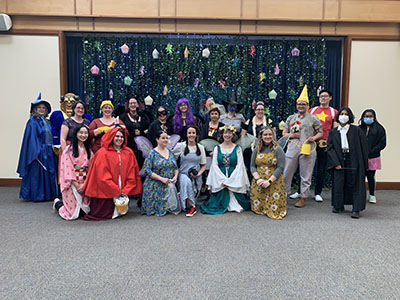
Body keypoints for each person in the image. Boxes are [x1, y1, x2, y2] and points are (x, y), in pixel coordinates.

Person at [82, 127, 142, 220]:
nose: (119, 139)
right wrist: (116, 190)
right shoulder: (102, 153)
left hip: (122, 185)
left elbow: (132, 172)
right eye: (117, 136)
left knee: (120, 212)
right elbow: (102, 175)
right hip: (107, 186)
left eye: (122, 137)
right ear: (111, 137)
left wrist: (126, 190)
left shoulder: (128, 152)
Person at [282, 85, 323, 208]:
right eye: (299, 104)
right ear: (296, 105)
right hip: (292, 147)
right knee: (287, 172)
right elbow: (284, 133)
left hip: (308, 147)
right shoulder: (291, 118)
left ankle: (303, 197)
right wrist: (292, 135)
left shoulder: (313, 118)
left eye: (303, 104)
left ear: (307, 106)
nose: (301, 106)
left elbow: (320, 132)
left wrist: (313, 138)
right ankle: (283, 194)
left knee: (306, 174)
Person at [327, 107, 368, 218]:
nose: (343, 116)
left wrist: (364, 164)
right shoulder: (333, 132)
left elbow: (364, 147)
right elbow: (330, 149)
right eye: (342, 114)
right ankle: (338, 205)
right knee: (339, 183)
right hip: (339, 158)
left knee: (355, 183)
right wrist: (336, 163)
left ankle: (356, 209)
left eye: (346, 114)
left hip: (354, 158)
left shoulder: (357, 130)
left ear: (349, 116)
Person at [17, 94, 58, 201]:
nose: (41, 109)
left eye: (43, 108)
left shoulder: (47, 121)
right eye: (39, 107)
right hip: (38, 151)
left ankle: (49, 194)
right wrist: (36, 152)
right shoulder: (32, 122)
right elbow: (30, 139)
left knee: (49, 172)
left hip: (49, 150)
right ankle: (37, 195)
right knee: (38, 172)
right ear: (35, 109)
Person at [200, 125, 250, 214]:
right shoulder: (217, 148)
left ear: (233, 135)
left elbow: (240, 165)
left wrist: (231, 180)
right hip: (220, 176)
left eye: (230, 133)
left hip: (234, 175)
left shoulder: (237, 148)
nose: (227, 135)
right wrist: (223, 180)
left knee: (240, 204)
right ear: (222, 135)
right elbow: (214, 165)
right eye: (225, 133)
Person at [53, 125, 93, 220]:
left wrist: (84, 183)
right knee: (72, 215)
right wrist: (76, 184)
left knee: (85, 212)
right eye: (81, 132)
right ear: (76, 134)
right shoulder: (68, 150)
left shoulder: (89, 151)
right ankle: (58, 203)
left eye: (85, 133)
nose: (83, 135)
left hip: (84, 181)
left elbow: (91, 169)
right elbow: (67, 168)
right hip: (72, 182)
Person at [308, 89, 338, 202]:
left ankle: (317, 192)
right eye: (321, 96)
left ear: (330, 98)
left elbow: (335, 131)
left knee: (321, 169)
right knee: (306, 168)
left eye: (325, 96)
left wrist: (330, 144)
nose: (323, 98)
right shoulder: (312, 110)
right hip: (311, 143)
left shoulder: (334, 112)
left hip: (324, 145)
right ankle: (302, 191)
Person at [250, 126, 287, 219]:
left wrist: (269, 181)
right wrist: (258, 179)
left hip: (274, 180)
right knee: (257, 208)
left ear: (273, 136)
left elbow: (280, 167)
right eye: (265, 134)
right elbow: (252, 166)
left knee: (274, 209)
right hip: (259, 180)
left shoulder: (278, 149)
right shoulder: (257, 149)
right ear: (261, 136)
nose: (268, 136)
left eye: (270, 134)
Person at [141, 130, 180, 216]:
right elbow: (147, 170)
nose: (165, 140)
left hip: (168, 182)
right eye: (163, 138)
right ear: (157, 140)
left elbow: (175, 167)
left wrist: (175, 177)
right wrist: (161, 179)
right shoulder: (152, 153)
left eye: (166, 138)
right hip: (155, 182)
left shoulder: (170, 152)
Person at [173, 126, 207, 217]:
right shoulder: (180, 146)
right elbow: (172, 158)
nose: (191, 135)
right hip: (183, 173)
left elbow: (204, 165)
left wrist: (199, 174)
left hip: (196, 176)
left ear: (196, 134)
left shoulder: (201, 147)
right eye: (189, 133)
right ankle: (192, 207)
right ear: (186, 134)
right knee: (186, 182)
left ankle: (186, 200)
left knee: (192, 192)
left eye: (193, 133)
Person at [359, 109, 386, 204]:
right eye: (366, 116)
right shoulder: (359, 128)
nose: (368, 118)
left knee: (370, 176)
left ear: (374, 117)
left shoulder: (379, 129)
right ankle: (360, 195)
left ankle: (372, 195)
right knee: (360, 176)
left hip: (373, 157)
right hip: (361, 156)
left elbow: (382, 143)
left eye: (370, 116)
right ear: (362, 117)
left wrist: (371, 151)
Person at [241, 101, 274, 179]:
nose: (260, 111)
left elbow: (273, 135)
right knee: (250, 167)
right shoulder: (248, 122)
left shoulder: (269, 121)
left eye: (262, 109)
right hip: (251, 149)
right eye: (258, 109)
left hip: (266, 148)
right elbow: (243, 136)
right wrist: (244, 146)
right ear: (255, 111)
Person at [119, 96, 150, 169]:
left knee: (141, 164)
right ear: (128, 105)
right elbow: (121, 129)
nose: (133, 105)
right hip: (129, 144)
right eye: (131, 103)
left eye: (134, 103)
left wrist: (141, 132)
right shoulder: (123, 116)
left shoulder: (143, 116)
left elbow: (149, 128)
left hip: (142, 146)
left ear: (138, 104)